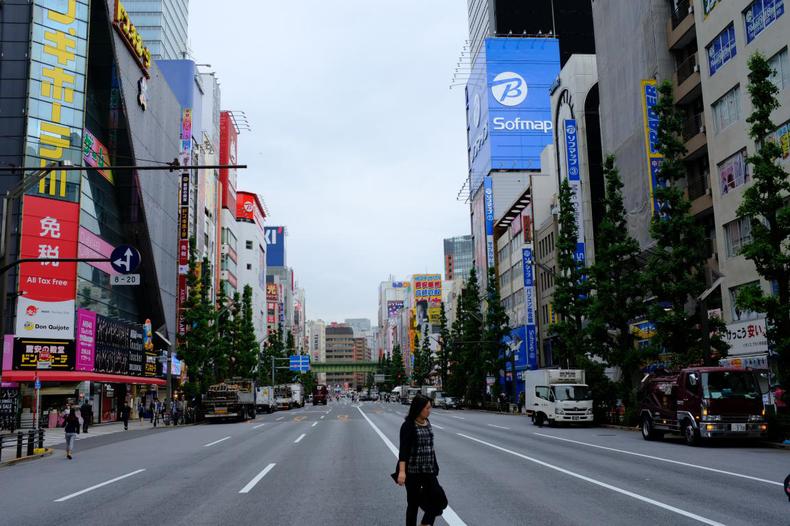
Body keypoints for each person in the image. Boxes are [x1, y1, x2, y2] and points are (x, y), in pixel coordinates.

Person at [397, 394, 445, 526]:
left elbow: (431, 446)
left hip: (429, 470)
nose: (430, 411)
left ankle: (424, 524)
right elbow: (404, 450)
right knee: (413, 504)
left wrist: (435, 466)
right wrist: (402, 472)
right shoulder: (408, 426)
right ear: (418, 408)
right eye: (427, 408)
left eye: (430, 408)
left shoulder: (427, 422)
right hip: (413, 472)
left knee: (438, 500)